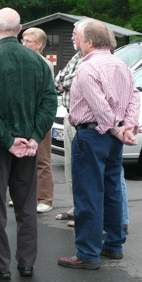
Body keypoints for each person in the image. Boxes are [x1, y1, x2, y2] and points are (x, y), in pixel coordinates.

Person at [0, 7, 57, 279]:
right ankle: (27, 262)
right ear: (20, 30)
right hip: (28, 147)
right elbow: (49, 102)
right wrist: (34, 136)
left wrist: (8, 140)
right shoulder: (37, 62)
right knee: (26, 206)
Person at [58, 19, 140, 270]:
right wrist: (129, 126)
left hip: (93, 134)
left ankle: (87, 252)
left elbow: (99, 106)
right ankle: (114, 245)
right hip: (112, 137)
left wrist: (118, 128)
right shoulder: (121, 64)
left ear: (89, 42)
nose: (77, 43)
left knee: (89, 194)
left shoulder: (87, 68)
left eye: (79, 38)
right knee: (113, 189)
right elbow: (134, 96)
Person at [21, 27, 55, 214]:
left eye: (29, 41)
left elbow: (46, 97)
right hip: (23, 117)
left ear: (40, 45)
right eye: (23, 40)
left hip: (39, 118)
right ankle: (27, 197)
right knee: (24, 159)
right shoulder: (21, 60)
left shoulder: (44, 64)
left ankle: (45, 198)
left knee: (42, 159)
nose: (24, 44)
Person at [53, 24, 83, 222]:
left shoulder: (89, 60)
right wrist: (62, 82)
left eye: (74, 34)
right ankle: (76, 207)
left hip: (81, 120)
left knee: (81, 169)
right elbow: (59, 79)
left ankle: (83, 213)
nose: (72, 38)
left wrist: (62, 82)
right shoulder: (76, 56)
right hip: (69, 115)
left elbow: (73, 79)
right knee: (70, 167)